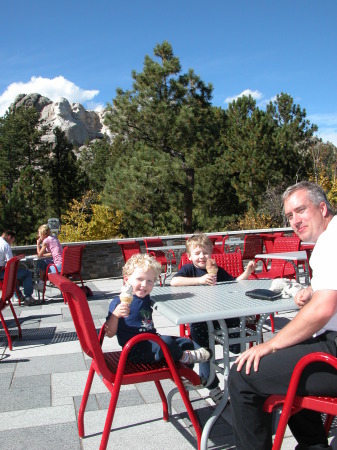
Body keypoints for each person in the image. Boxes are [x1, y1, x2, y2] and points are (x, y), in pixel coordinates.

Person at [228, 181, 337, 450]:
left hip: (333, 353)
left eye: (301, 210)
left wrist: (271, 343)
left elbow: (323, 309)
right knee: (290, 357)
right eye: (289, 216)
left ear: (322, 208)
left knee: (242, 374)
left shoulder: (331, 242)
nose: (295, 221)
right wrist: (315, 288)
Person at [171, 233, 257, 404]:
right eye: (197, 253)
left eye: (205, 253)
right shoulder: (189, 270)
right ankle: (211, 384)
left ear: (211, 254)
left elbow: (233, 283)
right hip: (199, 318)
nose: (202, 257)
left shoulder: (216, 269)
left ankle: (236, 350)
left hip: (220, 315)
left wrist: (247, 272)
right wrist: (200, 280)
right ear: (189, 256)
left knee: (237, 336)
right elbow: (174, 282)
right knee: (205, 352)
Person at [105, 253, 212, 368]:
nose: (144, 285)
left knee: (185, 343)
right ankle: (184, 358)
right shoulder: (118, 303)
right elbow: (109, 333)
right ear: (126, 279)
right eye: (139, 279)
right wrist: (115, 315)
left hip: (152, 341)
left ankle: (184, 376)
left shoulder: (146, 297)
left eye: (149, 281)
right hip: (134, 350)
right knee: (166, 342)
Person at [0, 230, 38, 306]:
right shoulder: (5, 245)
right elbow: (10, 262)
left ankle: (19, 296)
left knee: (13, 276)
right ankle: (28, 297)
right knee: (26, 273)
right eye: (12, 240)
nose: (12, 243)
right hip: (1, 272)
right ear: (9, 237)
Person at [35, 224, 63, 291]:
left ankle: (41, 284)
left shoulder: (46, 241)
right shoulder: (54, 238)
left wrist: (38, 244)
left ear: (42, 233)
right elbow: (52, 253)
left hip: (58, 267)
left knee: (42, 263)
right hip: (63, 264)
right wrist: (43, 255)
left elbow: (39, 255)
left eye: (39, 234)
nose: (39, 236)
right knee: (45, 262)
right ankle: (41, 283)